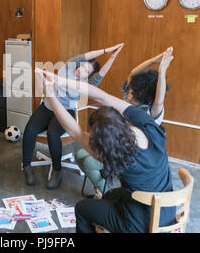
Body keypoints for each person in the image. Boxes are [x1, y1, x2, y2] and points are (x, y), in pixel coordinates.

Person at [36, 67, 175, 233]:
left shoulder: (117, 156)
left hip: (140, 224)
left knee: (82, 208)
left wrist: (50, 95)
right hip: (167, 211)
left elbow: (74, 131)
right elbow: (103, 96)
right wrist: (60, 80)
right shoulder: (149, 125)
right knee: (108, 196)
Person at [22, 44, 124, 190]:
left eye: (86, 71)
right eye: (83, 66)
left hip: (66, 111)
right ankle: (26, 167)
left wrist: (112, 57)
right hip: (48, 107)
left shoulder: (87, 83)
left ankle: (57, 172)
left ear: (89, 75)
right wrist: (106, 51)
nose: (81, 69)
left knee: (53, 133)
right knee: (30, 130)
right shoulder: (68, 67)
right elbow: (85, 56)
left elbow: (101, 73)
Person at [76, 47, 174, 198]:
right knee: (79, 154)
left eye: (133, 96)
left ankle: (106, 193)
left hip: (129, 154)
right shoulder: (127, 99)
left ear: (144, 99)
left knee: (89, 163)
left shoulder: (151, 113)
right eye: (129, 92)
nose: (128, 96)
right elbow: (134, 73)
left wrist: (162, 71)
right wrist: (154, 61)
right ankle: (101, 186)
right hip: (113, 142)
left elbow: (159, 100)